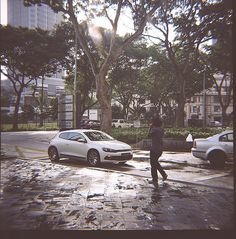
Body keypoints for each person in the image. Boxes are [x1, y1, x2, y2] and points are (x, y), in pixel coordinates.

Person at [148, 117, 168, 184]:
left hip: (154, 149)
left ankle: (155, 179)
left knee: (153, 165)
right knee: (155, 163)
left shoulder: (154, 129)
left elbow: (148, 135)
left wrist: (150, 127)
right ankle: (164, 174)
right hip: (160, 149)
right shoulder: (161, 129)